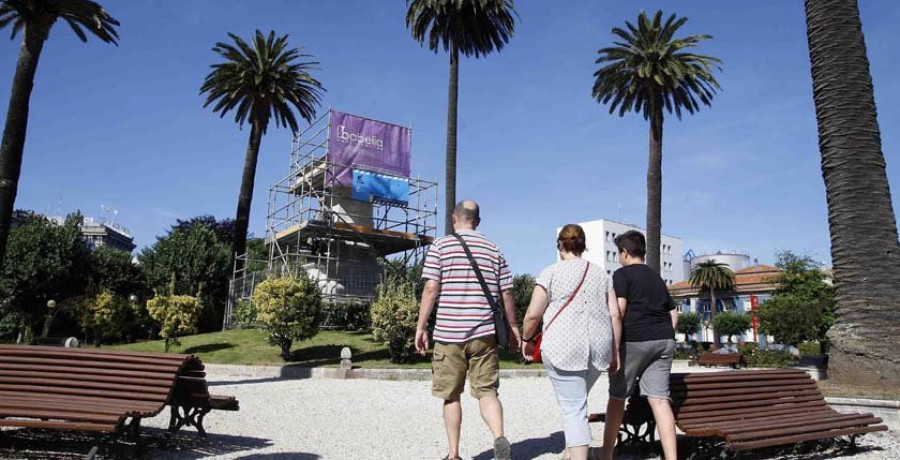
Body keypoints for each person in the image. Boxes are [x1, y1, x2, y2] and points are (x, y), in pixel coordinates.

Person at [415, 200, 521, 460]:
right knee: (487, 392)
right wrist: (514, 327)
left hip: (449, 334)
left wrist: (421, 326)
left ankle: (453, 454)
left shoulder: (441, 246)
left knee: (451, 396)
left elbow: (431, 288)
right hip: (484, 334)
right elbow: (506, 293)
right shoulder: (493, 249)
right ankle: (499, 436)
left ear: (454, 219)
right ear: (478, 221)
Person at [521, 224, 622, 460]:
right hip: (599, 349)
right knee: (578, 402)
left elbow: (533, 315)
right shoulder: (602, 274)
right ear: (583, 245)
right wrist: (615, 352)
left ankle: (577, 455)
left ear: (560, 245)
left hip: (563, 347)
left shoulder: (550, 273)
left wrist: (527, 339)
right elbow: (615, 315)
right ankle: (570, 452)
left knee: (573, 408)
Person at [602, 230, 679, 460]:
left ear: (625, 252)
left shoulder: (622, 275)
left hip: (635, 339)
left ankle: (606, 453)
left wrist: (613, 348)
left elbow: (620, 311)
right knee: (660, 400)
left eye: (618, 253)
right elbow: (674, 314)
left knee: (617, 397)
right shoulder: (656, 278)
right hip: (664, 340)